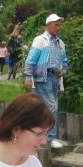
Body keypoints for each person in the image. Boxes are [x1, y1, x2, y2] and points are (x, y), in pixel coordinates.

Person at [24, 14, 68, 149]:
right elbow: (31, 59)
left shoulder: (60, 43)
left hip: (55, 77)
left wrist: (64, 70)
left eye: (59, 25)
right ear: (48, 25)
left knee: (40, 108)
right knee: (52, 107)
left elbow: (64, 60)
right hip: (43, 77)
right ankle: (51, 138)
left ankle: (36, 136)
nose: (58, 27)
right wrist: (28, 76)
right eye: (56, 24)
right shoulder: (40, 40)